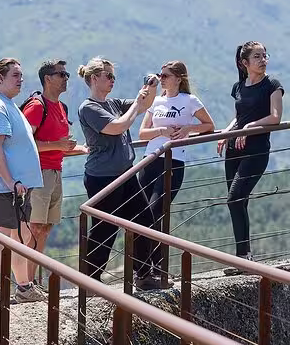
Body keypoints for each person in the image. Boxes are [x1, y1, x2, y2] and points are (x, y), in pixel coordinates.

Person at [77, 57, 168, 290]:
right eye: (108, 76)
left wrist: (151, 86)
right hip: (103, 177)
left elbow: (145, 105)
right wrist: (137, 104)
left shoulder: (113, 102)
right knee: (104, 228)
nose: (112, 80)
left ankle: (143, 273)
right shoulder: (89, 108)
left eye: (113, 76)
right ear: (94, 78)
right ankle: (90, 280)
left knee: (144, 220)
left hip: (126, 174)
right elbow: (117, 127)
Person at [0, 58, 44, 306]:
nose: (20, 79)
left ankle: (24, 287)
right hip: (5, 187)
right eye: (15, 75)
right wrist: (11, 181)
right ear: (0, 77)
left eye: (21, 75)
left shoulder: (6, 103)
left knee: (19, 238)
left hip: (16, 188)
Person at [20, 59, 88, 287]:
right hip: (38, 175)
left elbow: (57, 145)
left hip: (55, 172)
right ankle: (25, 284)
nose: (66, 78)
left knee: (44, 229)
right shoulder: (37, 106)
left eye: (66, 74)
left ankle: (31, 283)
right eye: (61, 74)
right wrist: (57, 145)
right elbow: (24, 144)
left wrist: (79, 149)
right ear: (47, 78)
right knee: (33, 229)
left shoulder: (60, 107)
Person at [217, 42, 283, 275]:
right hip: (233, 150)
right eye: (257, 56)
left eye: (265, 56)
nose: (263, 60)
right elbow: (238, 117)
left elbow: (275, 118)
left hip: (256, 149)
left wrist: (250, 127)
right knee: (238, 202)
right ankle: (242, 257)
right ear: (244, 63)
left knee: (235, 198)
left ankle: (244, 258)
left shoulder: (272, 85)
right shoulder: (239, 86)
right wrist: (226, 133)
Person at [138, 62, 215, 232]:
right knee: (140, 214)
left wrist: (189, 128)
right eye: (160, 75)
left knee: (155, 210)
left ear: (178, 79)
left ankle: (156, 258)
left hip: (173, 161)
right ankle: (142, 258)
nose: (161, 79)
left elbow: (209, 125)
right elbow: (142, 133)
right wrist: (161, 131)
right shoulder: (156, 101)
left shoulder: (189, 100)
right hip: (149, 160)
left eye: (165, 76)